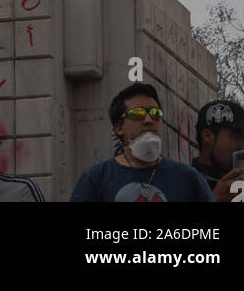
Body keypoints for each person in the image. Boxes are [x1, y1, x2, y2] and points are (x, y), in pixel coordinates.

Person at [70, 83, 215, 203]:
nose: (149, 120)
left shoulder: (188, 178)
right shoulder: (96, 179)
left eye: (155, 113)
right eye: (137, 113)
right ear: (119, 127)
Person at [191, 99, 244, 201]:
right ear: (207, 136)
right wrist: (216, 198)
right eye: (236, 136)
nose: (243, 148)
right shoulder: (182, 184)